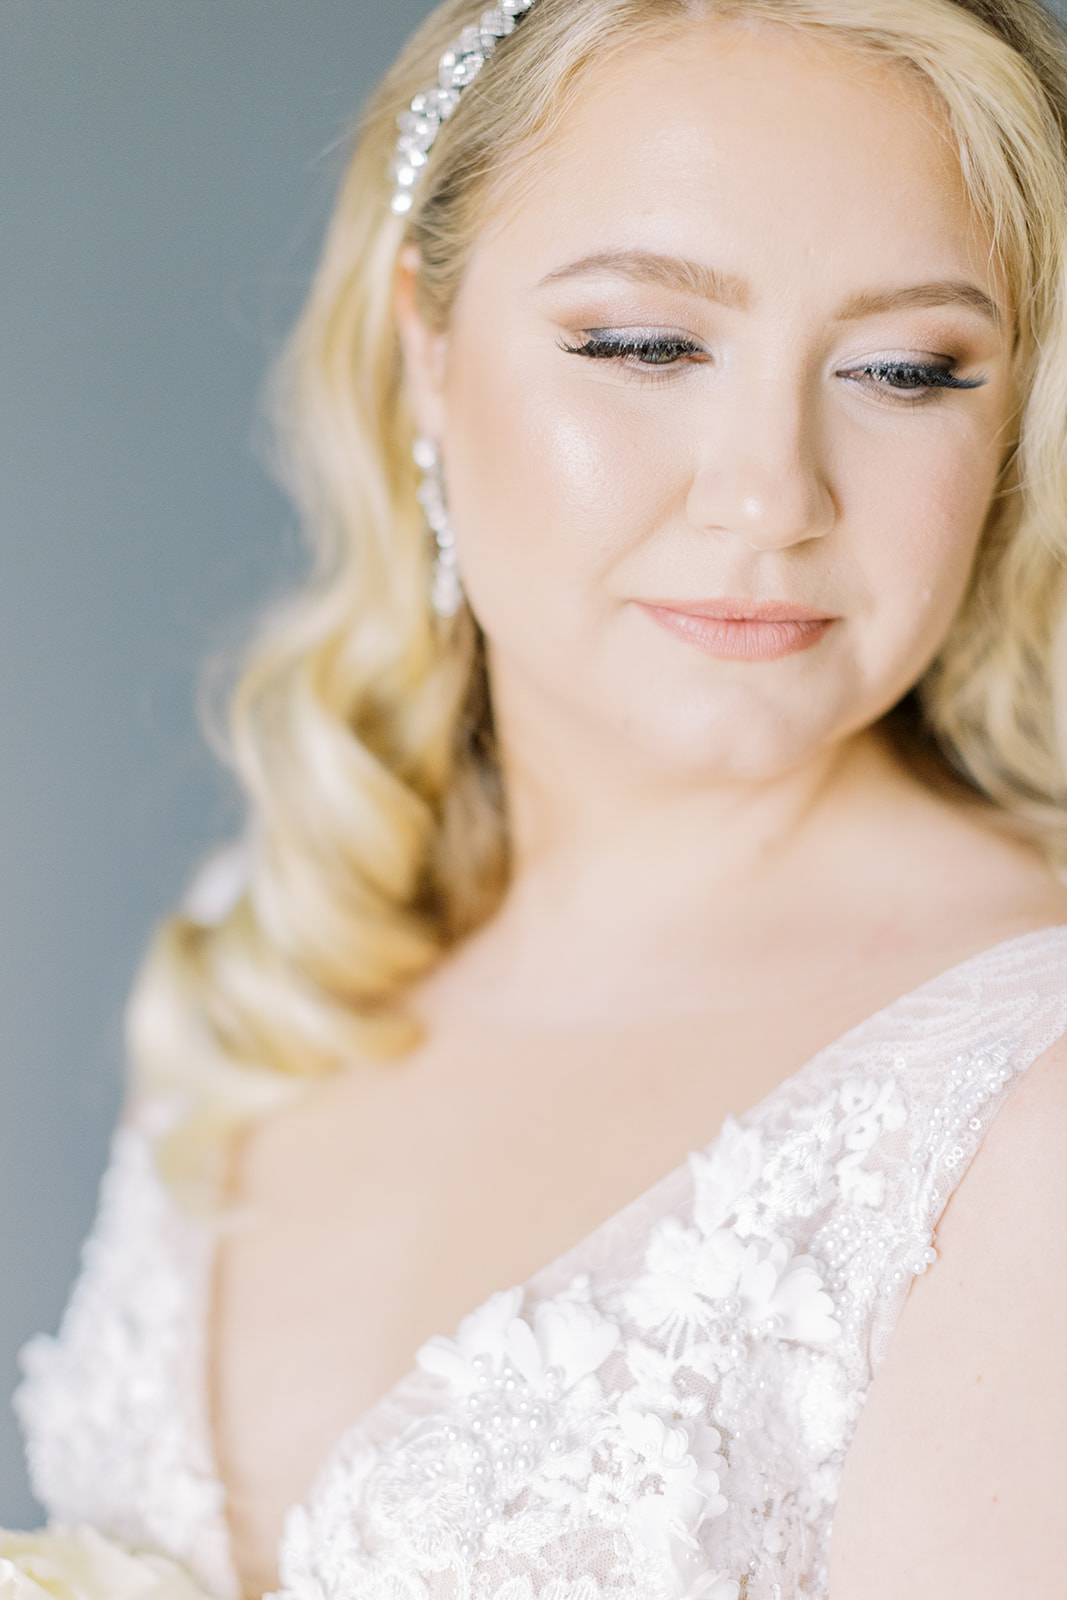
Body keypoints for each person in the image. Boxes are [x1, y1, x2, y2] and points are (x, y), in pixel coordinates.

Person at [13, 0, 1067, 1594]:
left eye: (904, 370)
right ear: (424, 347)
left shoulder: (1026, 1108)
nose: (771, 496)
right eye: (646, 345)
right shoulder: (281, 949)